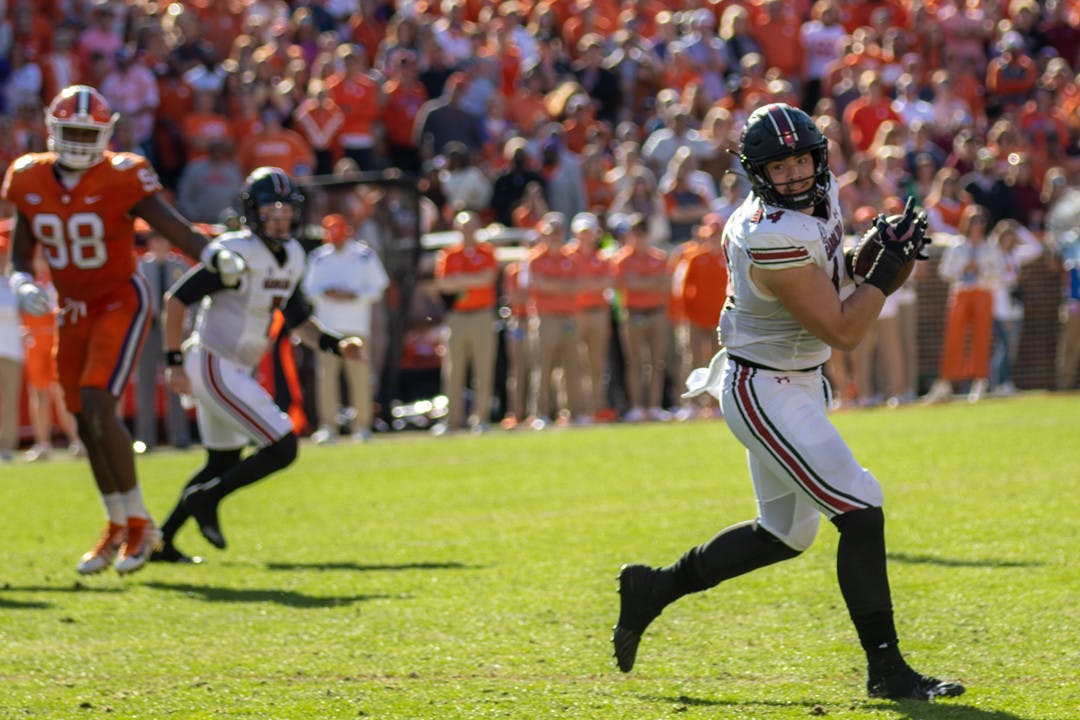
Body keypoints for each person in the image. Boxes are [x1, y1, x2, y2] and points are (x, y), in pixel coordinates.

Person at [612, 103, 965, 702]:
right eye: (781, 166)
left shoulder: (816, 201)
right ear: (758, 173)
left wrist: (868, 259)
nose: (797, 174)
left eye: (803, 158)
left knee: (785, 533)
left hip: (794, 379)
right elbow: (843, 330)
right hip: (763, 387)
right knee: (860, 507)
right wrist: (883, 276)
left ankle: (655, 588)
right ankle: (887, 670)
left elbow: (831, 276)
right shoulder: (765, 231)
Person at [2, 85, 244, 575]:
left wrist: (212, 253)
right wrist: (23, 281)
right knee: (83, 421)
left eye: (86, 133)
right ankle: (117, 522)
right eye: (69, 131)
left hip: (118, 300)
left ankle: (140, 523)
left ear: (105, 136)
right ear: (52, 131)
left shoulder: (123, 173)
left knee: (96, 402)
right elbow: (22, 252)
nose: (76, 141)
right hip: (70, 308)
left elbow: (172, 227)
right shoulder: (28, 176)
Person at [155, 167, 364, 562]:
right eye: (272, 209)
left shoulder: (295, 256)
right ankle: (206, 500)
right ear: (253, 211)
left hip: (233, 366)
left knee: (222, 461)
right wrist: (173, 362)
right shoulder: (238, 252)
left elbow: (298, 319)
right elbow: (176, 300)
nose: (280, 217)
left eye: (287, 209)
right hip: (214, 361)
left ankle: (161, 541)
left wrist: (337, 345)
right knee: (283, 446)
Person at [305, 213, 389, 443]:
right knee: (327, 377)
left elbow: (379, 287)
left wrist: (354, 295)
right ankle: (328, 426)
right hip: (327, 327)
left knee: (359, 377)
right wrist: (329, 293)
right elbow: (309, 290)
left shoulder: (364, 256)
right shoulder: (319, 258)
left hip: (356, 326)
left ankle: (362, 425)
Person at [432, 210, 498, 434]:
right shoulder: (449, 254)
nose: (468, 232)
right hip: (457, 316)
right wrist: (472, 280)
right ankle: (451, 420)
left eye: (471, 227)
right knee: (453, 370)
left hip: (482, 314)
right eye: (464, 227)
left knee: (483, 368)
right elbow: (443, 284)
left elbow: (487, 280)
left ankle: (481, 418)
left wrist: (461, 280)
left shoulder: (486, 252)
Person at [134, 222, 193, 452]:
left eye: (163, 239)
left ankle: (180, 436)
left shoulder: (180, 266)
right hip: (149, 329)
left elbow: (191, 299)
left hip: (173, 329)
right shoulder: (139, 267)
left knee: (176, 380)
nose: (159, 243)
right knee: (144, 384)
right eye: (155, 239)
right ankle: (144, 438)